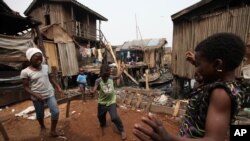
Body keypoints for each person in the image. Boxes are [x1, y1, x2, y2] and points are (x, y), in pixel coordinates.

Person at [133, 33, 246, 141]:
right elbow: (212, 74)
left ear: (217, 64)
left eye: (198, 65)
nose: (196, 70)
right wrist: (198, 63)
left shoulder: (221, 94)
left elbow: (214, 139)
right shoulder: (227, 82)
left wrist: (168, 139)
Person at [20, 48, 64, 137]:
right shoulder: (25, 72)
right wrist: (36, 95)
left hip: (49, 93)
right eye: (36, 59)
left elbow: (51, 78)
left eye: (40, 59)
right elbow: (25, 87)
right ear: (30, 59)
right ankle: (42, 126)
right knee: (40, 114)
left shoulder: (45, 67)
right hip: (37, 96)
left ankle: (53, 131)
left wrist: (58, 87)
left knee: (55, 112)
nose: (39, 61)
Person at [90, 64, 127, 140]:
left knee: (114, 117)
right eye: (104, 77)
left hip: (111, 101)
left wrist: (122, 70)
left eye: (107, 76)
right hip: (102, 103)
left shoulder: (110, 77)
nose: (106, 78)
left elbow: (117, 76)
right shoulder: (98, 80)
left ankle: (122, 130)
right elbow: (94, 88)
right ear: (101, 74)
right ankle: (102, 123)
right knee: (100, 116)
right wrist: (92, 92)